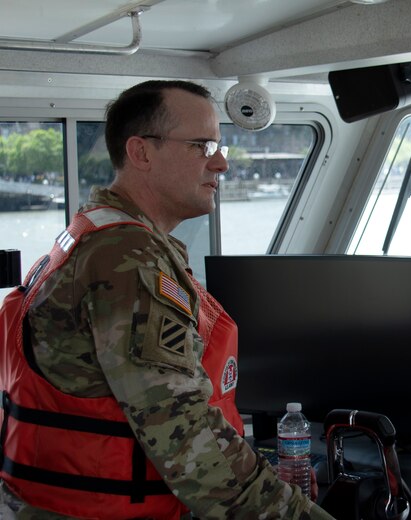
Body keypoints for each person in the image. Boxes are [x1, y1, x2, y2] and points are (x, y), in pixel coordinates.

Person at [0, 80, 334, 520]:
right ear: (141, 153)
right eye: (202, 145)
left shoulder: (90, 234)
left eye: (220, 147)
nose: (221, 164)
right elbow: (185, 436)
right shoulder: (126, 259)